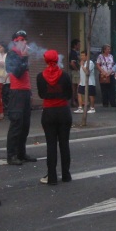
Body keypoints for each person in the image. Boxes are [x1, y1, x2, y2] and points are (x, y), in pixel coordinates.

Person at [37, 50, 73, 185]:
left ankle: (51, 177)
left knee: (51, 145)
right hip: (63, 111)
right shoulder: (65, 75)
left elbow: (41, 94)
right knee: (64, 144)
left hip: (48, 112)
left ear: (45, 60)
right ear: (57, 59)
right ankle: (66, 175)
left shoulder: (40, 76)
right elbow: (69, 94)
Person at [5, 30, 36, 166]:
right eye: (20, 40)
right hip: (16, 92)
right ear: (15, 42)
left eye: (24, 39)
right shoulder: (12, 54)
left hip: (24, 92)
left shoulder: (23, 54)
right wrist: (23, 57)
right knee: (16, 125)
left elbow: (26, 75)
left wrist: (30, 92)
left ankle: (21, 153)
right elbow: (16, 73)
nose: (24, 42)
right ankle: (11, 155)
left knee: (25, 125)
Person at [0, 42, 11, 117]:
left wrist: (6, 77)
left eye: (1, 47)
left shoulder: (7, 55)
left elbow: (9, 67)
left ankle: (9, 110)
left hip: (7, 77)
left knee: (7, 94)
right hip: (0, 77)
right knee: (2, 95)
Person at [69, 39, 81, 108]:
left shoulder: (75, 53)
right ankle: (74, 101)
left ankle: (75, 101)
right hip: (75, 72)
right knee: (76, 87)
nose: (79, 46)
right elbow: (72, 63)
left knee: (76, 87)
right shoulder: (73, 53)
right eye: (78, 45)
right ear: (75, 45)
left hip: (75, 71)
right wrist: (77, 70)